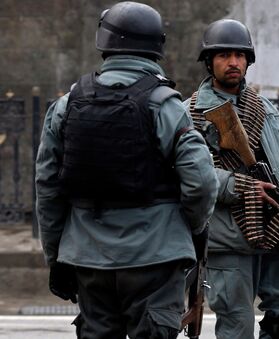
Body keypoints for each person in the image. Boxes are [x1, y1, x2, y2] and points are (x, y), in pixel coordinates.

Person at [35, 2, 219, 338]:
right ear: (157, 46)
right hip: (156, 258)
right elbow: (203, 183)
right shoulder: (166, 105)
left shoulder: (66, 105)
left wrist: (56, 256)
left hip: (87, 258)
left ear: (103, 41)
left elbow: (47, 189)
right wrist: (186, 229)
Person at [188, 19, 279, 339]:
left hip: (277, 227)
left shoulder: (264, 107)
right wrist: (240, 186)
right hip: (229, 238)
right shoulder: (192, 113)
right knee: (237, 324)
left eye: (240, 55)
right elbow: (188, 173)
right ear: (209, 62)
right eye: (224, 55)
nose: (233, 62)